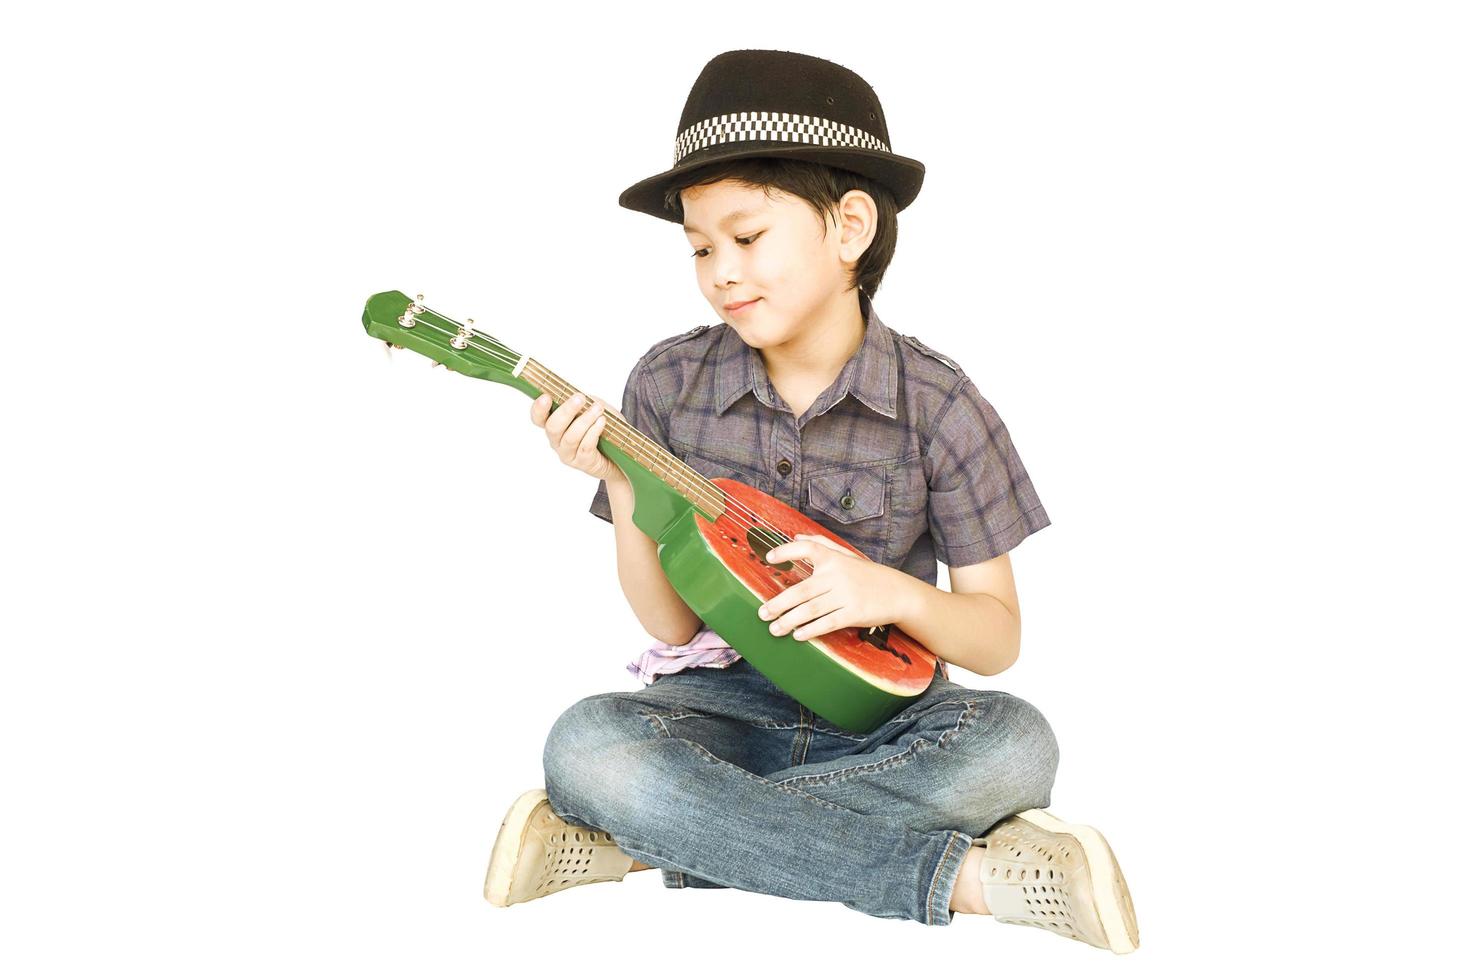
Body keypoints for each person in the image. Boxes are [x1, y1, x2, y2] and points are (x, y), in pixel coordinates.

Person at [483, 49, 1138, 953]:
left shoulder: (939, 404)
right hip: (724, 717)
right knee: (588, 746)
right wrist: (622, 481)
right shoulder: (667, 384)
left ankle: (641, 843)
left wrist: (894, 594)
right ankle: (969, 879)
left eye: (746, 238)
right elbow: (673, 630)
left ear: (850, 227)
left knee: (1015, 746)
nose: (720, 272)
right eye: (700, 247)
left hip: (890, 721)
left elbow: (996, 638)